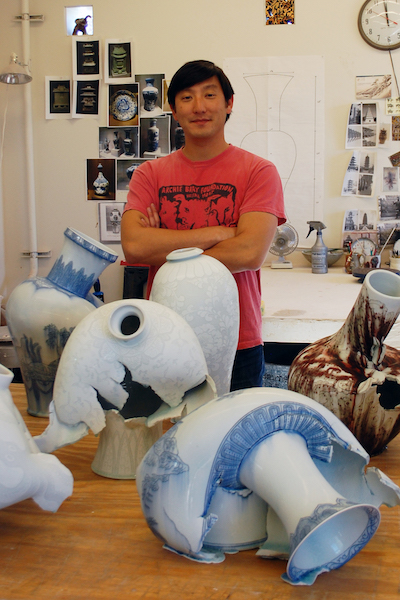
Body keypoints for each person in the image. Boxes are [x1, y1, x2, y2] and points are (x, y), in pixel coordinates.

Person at [121, 59, 286, 390]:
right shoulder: (149, 175)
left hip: (238, 337)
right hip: (167, 335)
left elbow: (250, 252)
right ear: (173, 109)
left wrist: (164, 242)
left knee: (234, 438)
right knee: (172, 437)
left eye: (210, 95)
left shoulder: (259, 172)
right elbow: (136, 246)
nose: (199, 107)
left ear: (228, 104)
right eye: (186, 97)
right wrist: (218, 234)